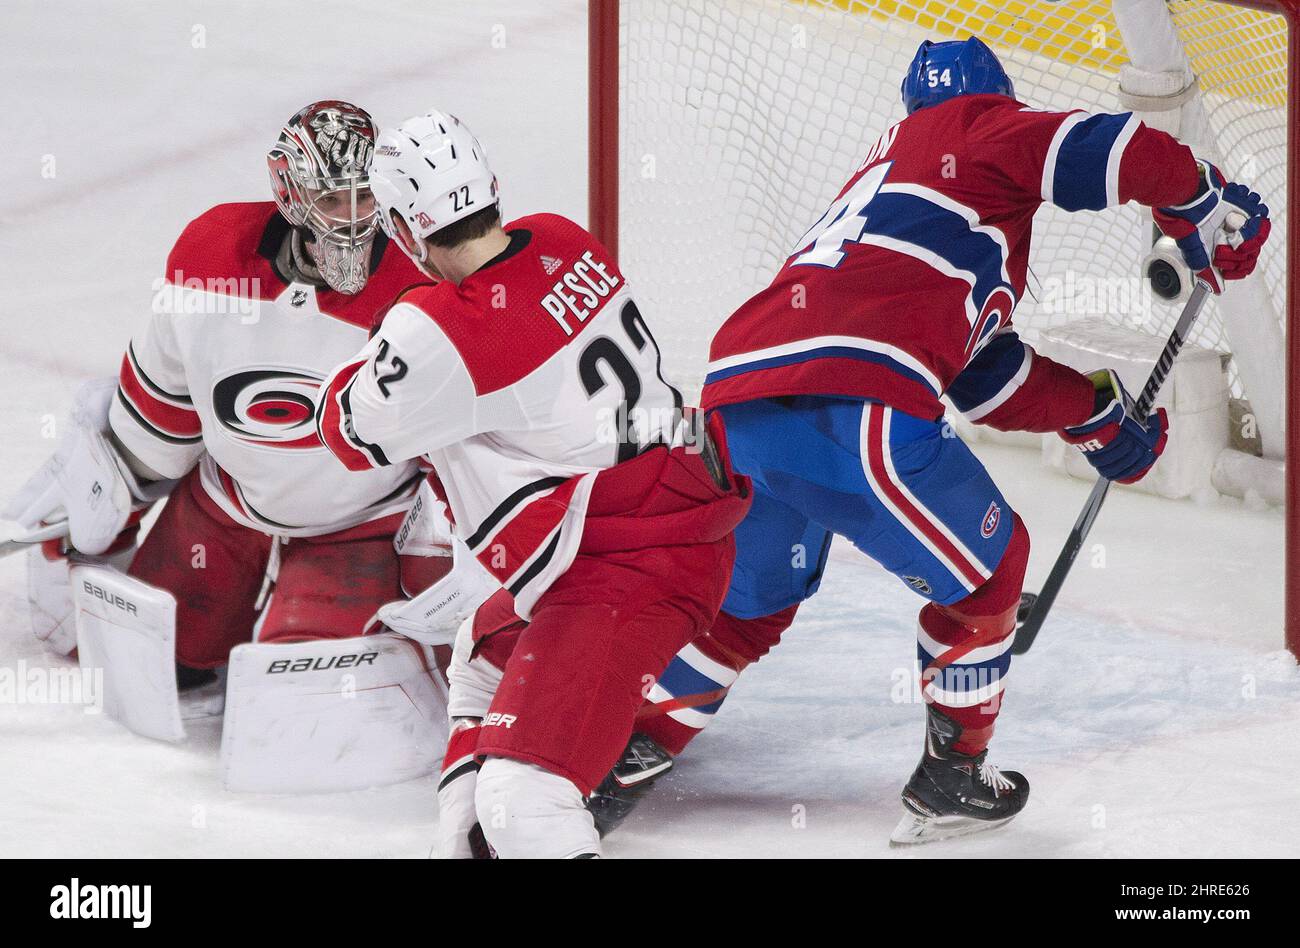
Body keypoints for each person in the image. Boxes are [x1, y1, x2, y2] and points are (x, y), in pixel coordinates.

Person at [631, 36, 1271, 844]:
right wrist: (1203, 203)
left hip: (733, 401)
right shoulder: (978, 129)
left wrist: (1092, 414)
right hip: (856, 399)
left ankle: (638, 743)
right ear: (995, 98)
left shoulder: (890, 189)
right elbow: (1122, 148)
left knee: (751, 601)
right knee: (990, 572)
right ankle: (953, 776)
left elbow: (985, 377)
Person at [314, 109, 751, 857]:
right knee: (479, 659)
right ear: (489, 188)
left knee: (526, 799)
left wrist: (391, 330)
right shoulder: (562, 238)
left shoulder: (442, 327)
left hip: (628, 565)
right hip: (658, 512)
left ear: (403, 226)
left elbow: (347, 433)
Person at [5, 100, 434, 679]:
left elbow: (459, 439)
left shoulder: (421, 282)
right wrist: (102, 492)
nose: (355, 218)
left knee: (302, 694)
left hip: (364, 522)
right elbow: (161, 418)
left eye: (366, 196)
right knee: (147, 664)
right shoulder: (212, 256)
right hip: (228, 506)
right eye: (334, 198)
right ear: (290, 192)